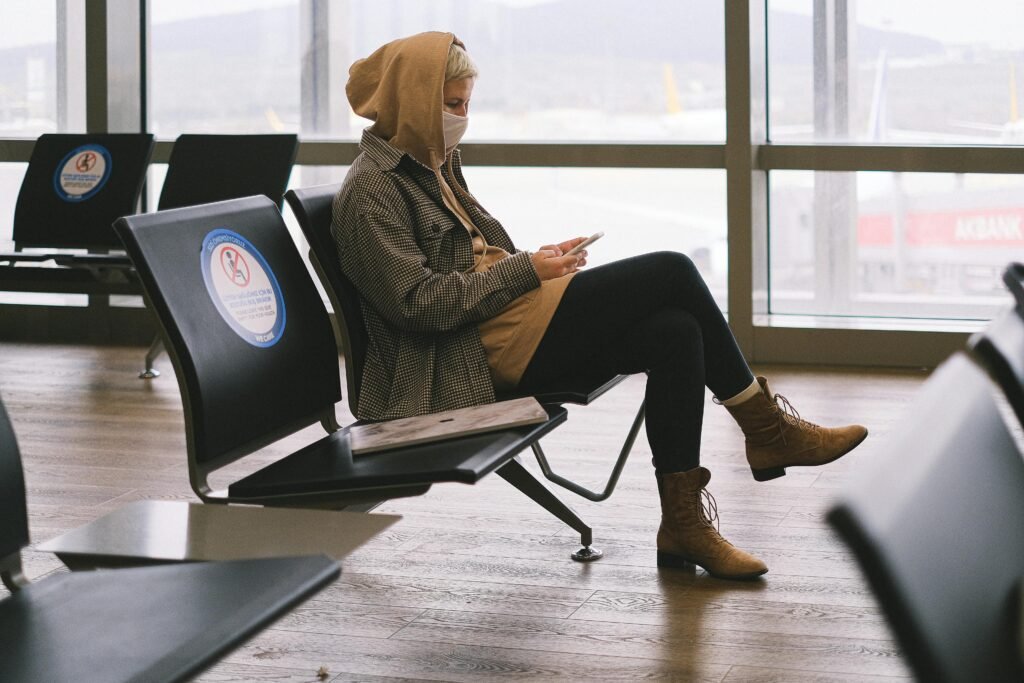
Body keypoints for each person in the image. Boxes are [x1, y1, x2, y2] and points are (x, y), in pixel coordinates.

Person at [332, 32, 868, 581]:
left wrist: (537, 262)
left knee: (677, 331)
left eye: (466, 103)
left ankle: (684, 524)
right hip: (465, 358)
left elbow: (473, 262)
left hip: (504, 324)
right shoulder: (371, 191)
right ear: (412, 101)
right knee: (672, 270)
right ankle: (767, 430)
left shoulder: (431, 164)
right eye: (452, 104)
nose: (462, 116)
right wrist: (528, 270)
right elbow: (417, 305)